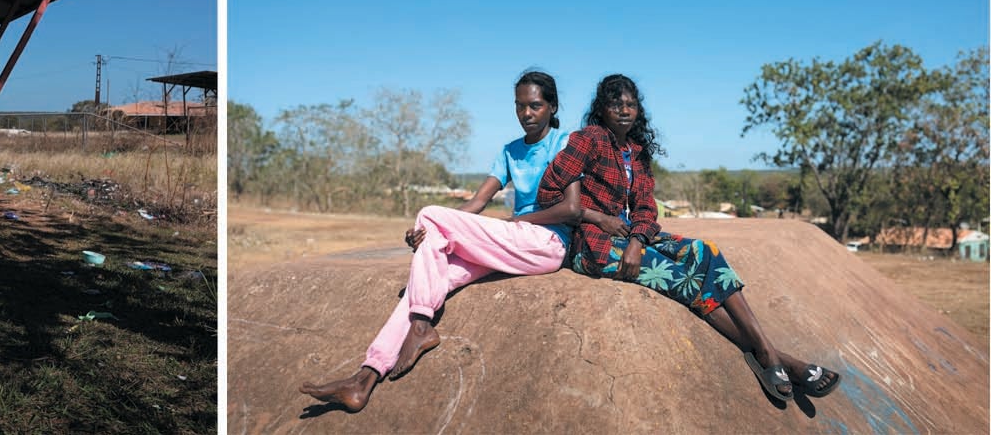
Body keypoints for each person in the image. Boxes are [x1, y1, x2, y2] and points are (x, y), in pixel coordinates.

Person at [535, 74, 841, 402]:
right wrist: (597, 217)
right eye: (615, 104)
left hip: (629, 238)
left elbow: (646, 208)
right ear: (602, 109)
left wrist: (637, 242)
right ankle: (776, 357)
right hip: (593, 245)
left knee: (705, 251)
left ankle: (767, 354)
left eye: (630, 104)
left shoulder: (636, 151)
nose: (624, 110)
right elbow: (549, 191)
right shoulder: (588, 139)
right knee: (684, 279)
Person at [299, 71, 592, 412]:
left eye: (535, 106)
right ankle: (364, 378)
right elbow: (476, 204)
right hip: (512, 242)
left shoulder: (565, 143)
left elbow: (572, 210)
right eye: (520, 106)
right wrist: (432, 232)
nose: (526, 113)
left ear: (552, 106)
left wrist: (515, 220)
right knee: (424, 280)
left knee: (429, 215)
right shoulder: (510, 151)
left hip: (546, 242)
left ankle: (421, 327)